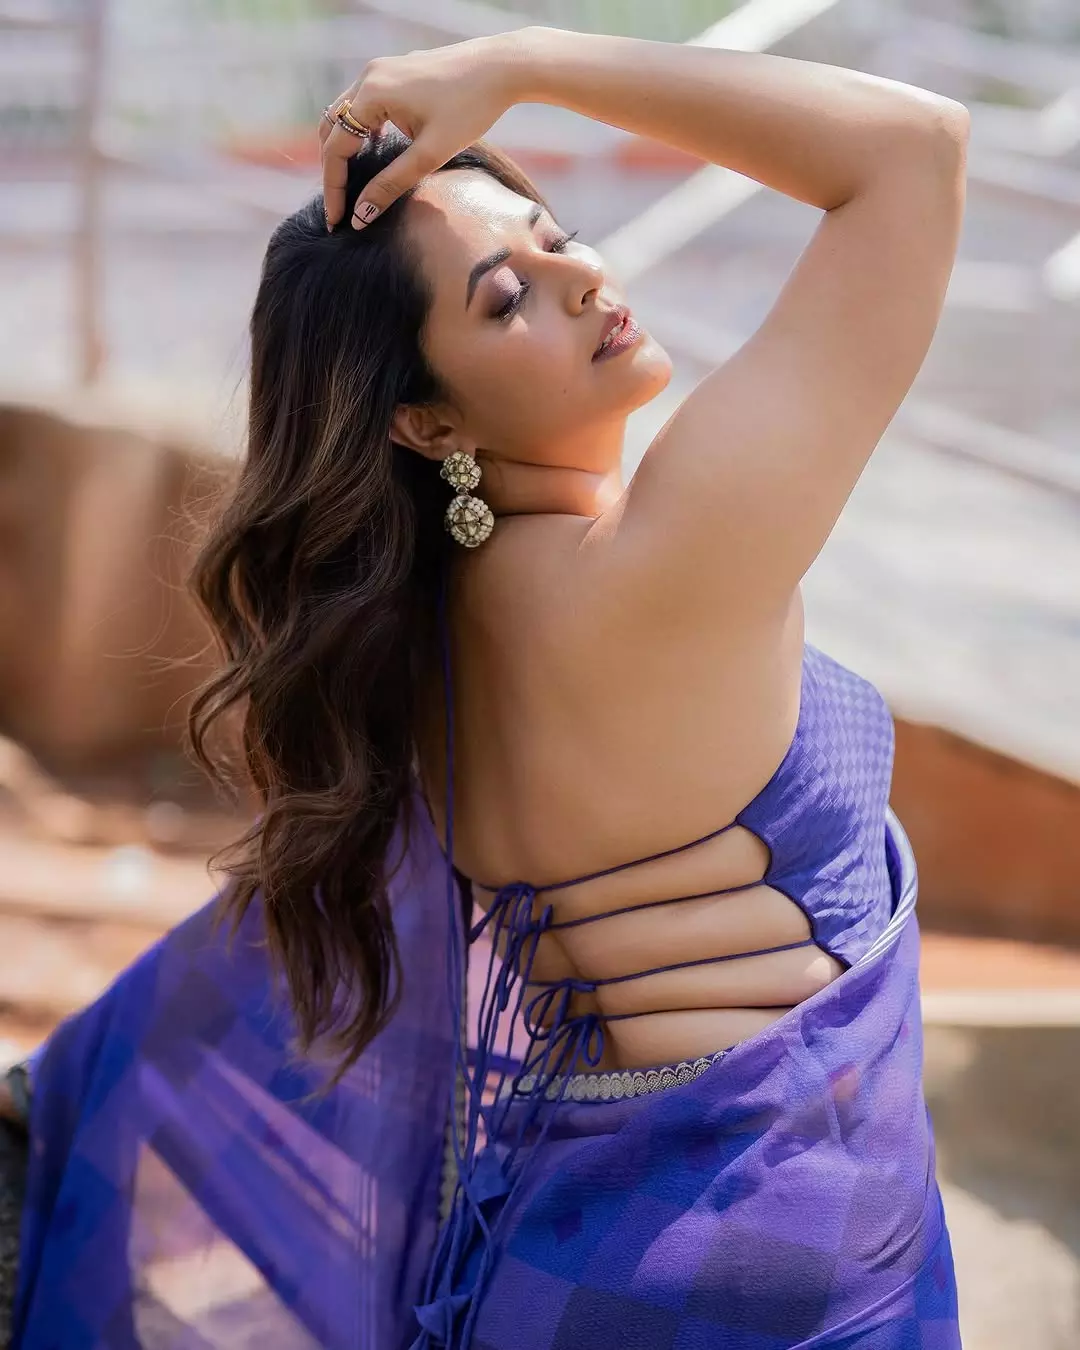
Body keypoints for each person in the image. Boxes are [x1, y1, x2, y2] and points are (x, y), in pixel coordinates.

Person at [7, 24, 968, 1349]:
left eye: (558, 234)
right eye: (507, 297)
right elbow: (913, 153)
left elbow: (264, 942)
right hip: (766, 1257)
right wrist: (528, 63)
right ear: (428, 423)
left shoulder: (407, 650)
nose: (581, 278)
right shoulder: (657, 571)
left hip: (564, 1250)